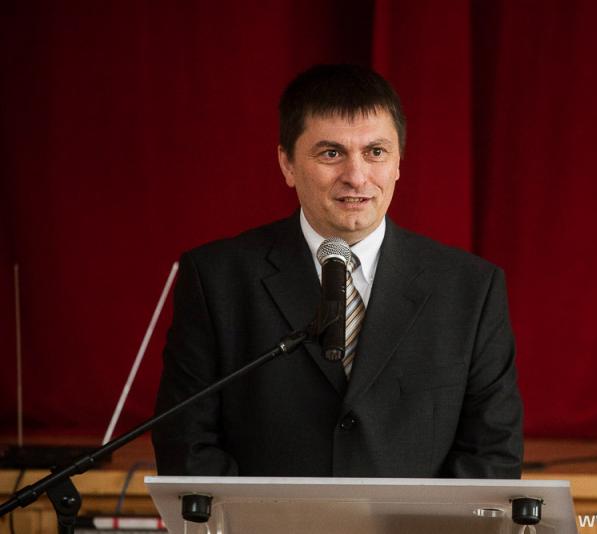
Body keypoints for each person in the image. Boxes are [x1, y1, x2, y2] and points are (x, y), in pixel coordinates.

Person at [152, 64, 523, 478]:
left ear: (399, 162)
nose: (356, 176)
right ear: (287, 164)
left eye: (375, 152)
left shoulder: (471, 289)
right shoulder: (216, 279)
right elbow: (186, 442)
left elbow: (492, 456)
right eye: (331, 153)